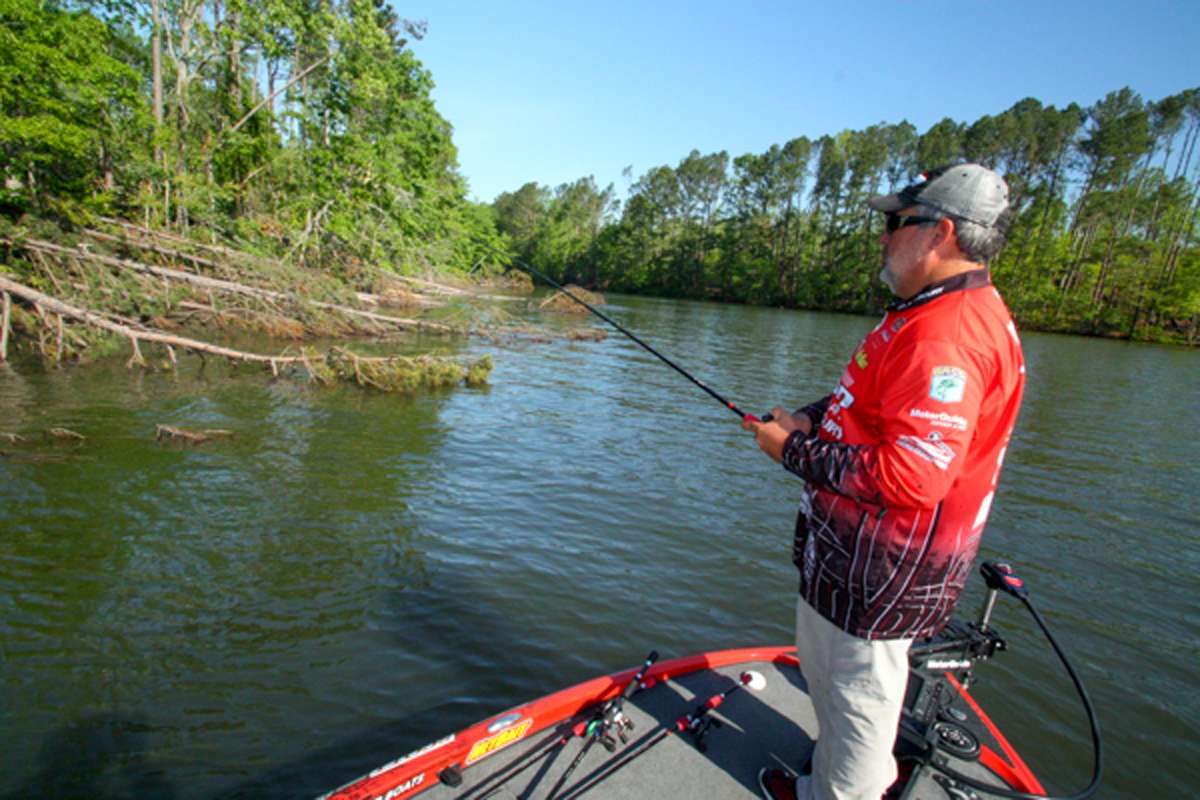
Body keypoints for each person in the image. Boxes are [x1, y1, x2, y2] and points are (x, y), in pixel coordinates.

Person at [745, 164, 1026, 800]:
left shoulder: (947, 335)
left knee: (859, 708)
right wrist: (810, 419)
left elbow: (914, 476)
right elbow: (869, 397)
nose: (884, 236)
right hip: (856, 560)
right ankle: (827, 776)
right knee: (835, 687)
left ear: (942, 233)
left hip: (881, 570)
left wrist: (791, 451)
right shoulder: (932, 311)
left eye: (897, 222)